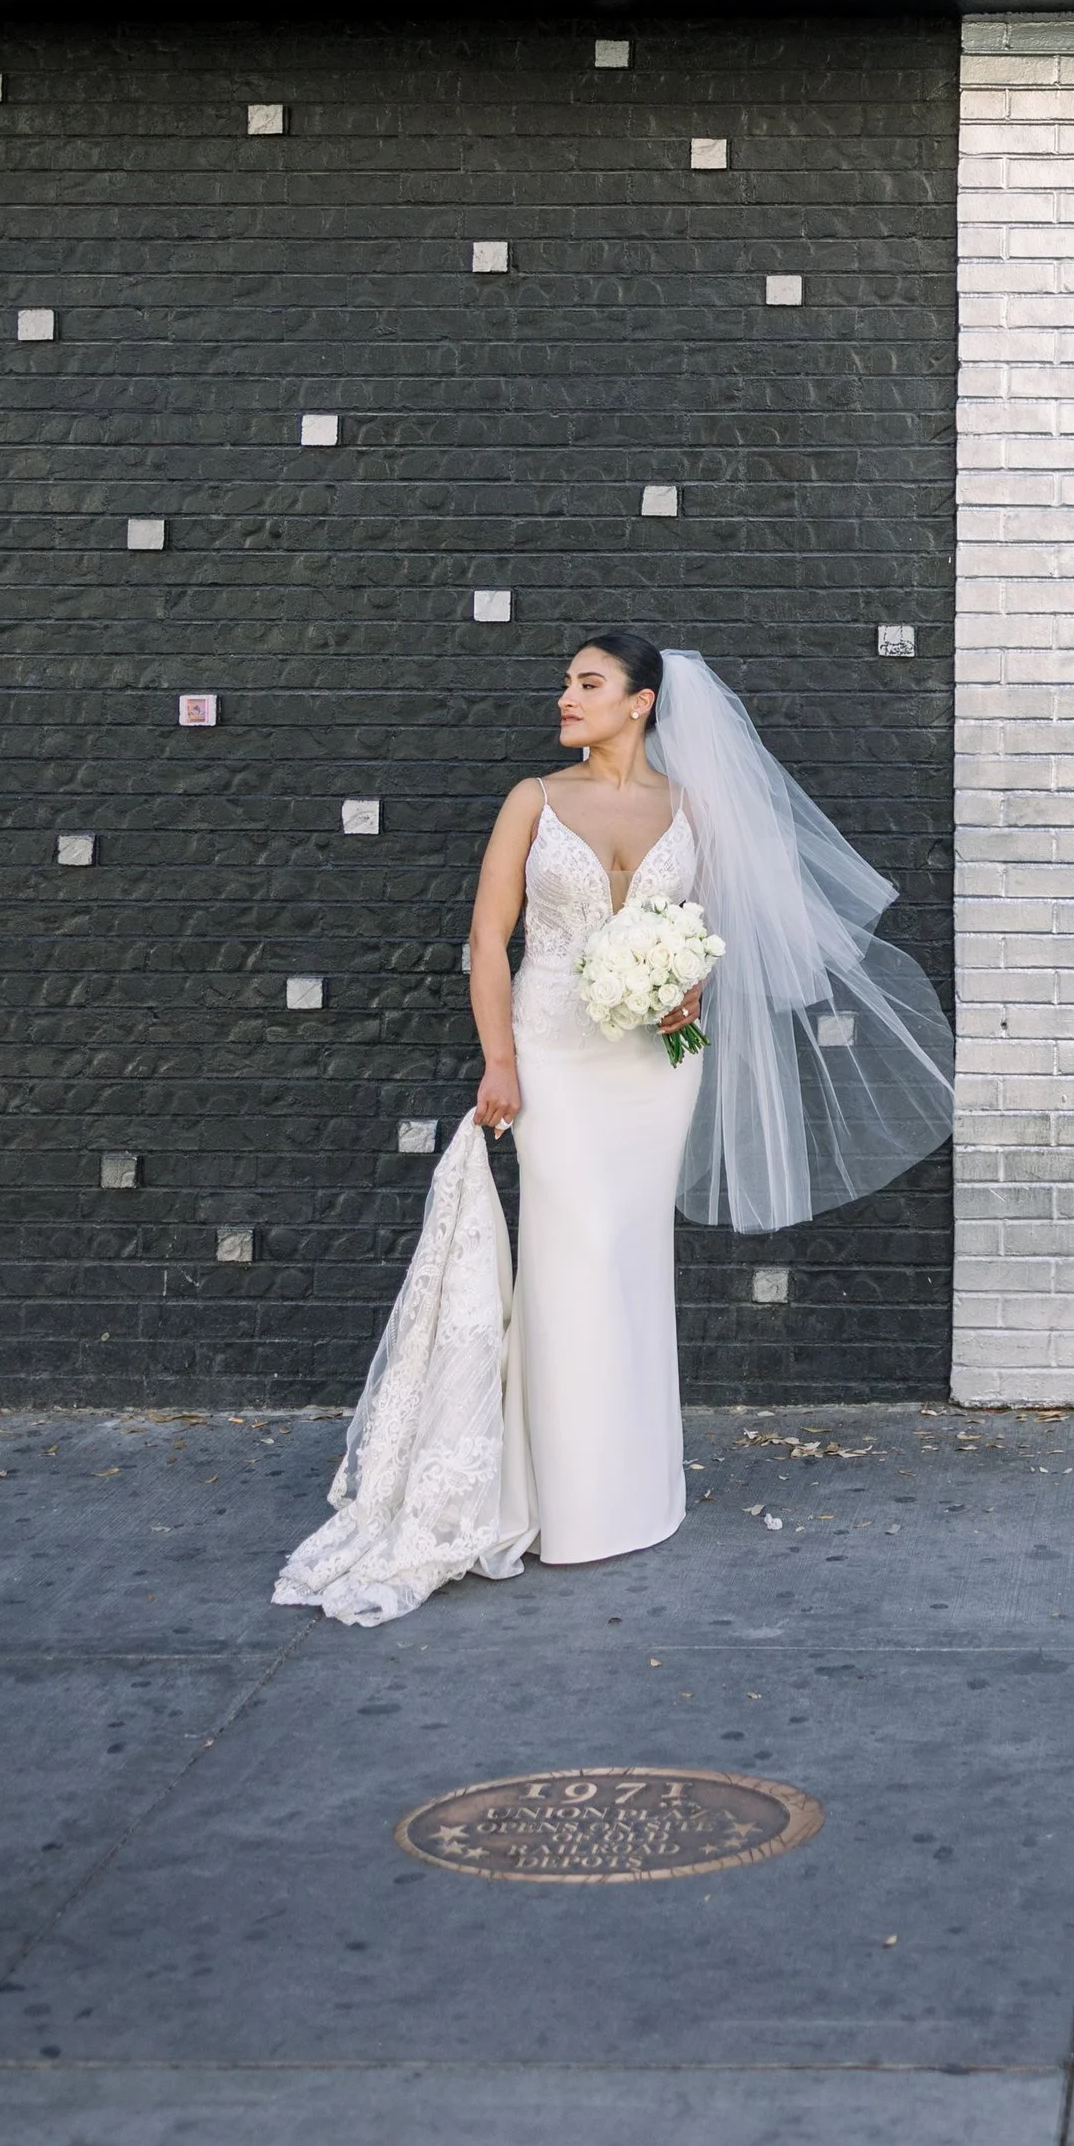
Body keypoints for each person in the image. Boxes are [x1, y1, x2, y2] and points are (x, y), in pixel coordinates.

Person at [276, 632, 955, 1622]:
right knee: (572, 1259)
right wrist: (499, 1058)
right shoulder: (533, 801)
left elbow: (715, 932)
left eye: (586, 684)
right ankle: (565, 1505)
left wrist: (686, 990)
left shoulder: (694, 808)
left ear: (640, 702)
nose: (566, 697)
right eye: (567, 683)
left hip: (652, 1069)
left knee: (628, 1261)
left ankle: (634, 1494)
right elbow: (487, 937)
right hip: (551, 1054)